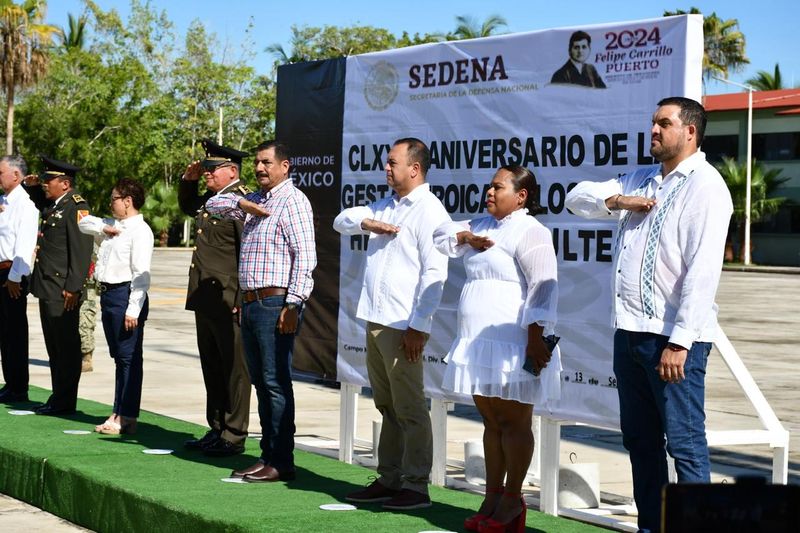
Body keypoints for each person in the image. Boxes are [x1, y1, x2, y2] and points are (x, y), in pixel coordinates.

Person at [565, 97, 733, 533]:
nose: (654, 130)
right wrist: (620, 200)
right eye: (653, 123)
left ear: (691, 132)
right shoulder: (640, 178)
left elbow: (702, 271)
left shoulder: (706, 186)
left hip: (673, 340)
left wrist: (680, 341)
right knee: (640, 443)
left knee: (685, 446)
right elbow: (576, 198)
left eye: (664, 123)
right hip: (630, 334)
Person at [433, 165, 560, 533]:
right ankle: (491, 496)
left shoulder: (531, 230)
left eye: (498, 187)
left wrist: (535, 337)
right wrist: (466, 238)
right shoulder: (481, 225)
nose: (489, 192)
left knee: (513, 422)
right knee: (490, 421)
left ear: (521, 196)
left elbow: (543, 286)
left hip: (512, 342)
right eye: (489, 187)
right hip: (476, 340)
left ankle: (512, 501)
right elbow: (439, 236)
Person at [334, 138, 449, 511]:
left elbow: (436, 272)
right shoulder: (386, 206)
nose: (386, 168)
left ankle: (415, 486)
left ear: (414, 168)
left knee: (410, 407)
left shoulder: (429, 211)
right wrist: (366, 221)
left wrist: (419, 326)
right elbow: (341, 221)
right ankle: (390, 478)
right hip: (377, 318)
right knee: (387, 404)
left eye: (393, 162)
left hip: (403, 324)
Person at [205, 140, 316, 482]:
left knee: (274, 383)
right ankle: (268, 454)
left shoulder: (293, 201)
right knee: (261, 383)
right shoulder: (255, 199)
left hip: (275, 303)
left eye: (267, 162)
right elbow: (213, 204)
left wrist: (294, 303)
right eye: (256, 163)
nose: (259, 168)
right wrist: (242, 201)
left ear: (285, 166)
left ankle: (281, 460)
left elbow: (305, 258)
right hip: (251, 302)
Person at [179, 139, 252, 457]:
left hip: (228, 298)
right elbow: (186, 206)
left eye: (212, 168)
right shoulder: (213, 201)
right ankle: (217, 427)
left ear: (232, 171)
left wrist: (239, 297)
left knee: (235, 369)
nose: (206, 172)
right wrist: (188, 181)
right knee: (212, 365)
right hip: (206, 296)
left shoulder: (239, 202)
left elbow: (245, 253)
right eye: (205, 168)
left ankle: (234, 434)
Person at [78, 178, 153, 434]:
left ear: (127, 201)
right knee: (119, 358)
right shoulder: (113, 225)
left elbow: (140, 273)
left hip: (125, 295)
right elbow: (84, 222)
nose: (111, 204)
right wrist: (104, 227)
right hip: (109, 296)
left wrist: (133, 309)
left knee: (128, 360)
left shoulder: (140, 231)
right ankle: (120, 411)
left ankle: (125, 415)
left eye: (113, 199)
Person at [27, 156, 93, 416]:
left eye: (48, 180)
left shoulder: (76, 207)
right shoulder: (57, 205)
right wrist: (31, 187)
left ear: (65, 183)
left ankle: (66, 401)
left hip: (62, 289)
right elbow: (41, 204)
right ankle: (58, 397)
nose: (44, 184)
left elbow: (81, 250)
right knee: (54, 346)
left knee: (66, 347)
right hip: (48, 286)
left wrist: (74, 287)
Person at [0, 155, 39, 403]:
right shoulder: (4, 201)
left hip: (12, 272)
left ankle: (18, 387)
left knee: (15, 331)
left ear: (16, 175)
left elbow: (24, 244)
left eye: (1, 172)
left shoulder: (25, 204)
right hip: (1, 270)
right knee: (4, 332)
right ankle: (10, 382)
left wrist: (15, 277)